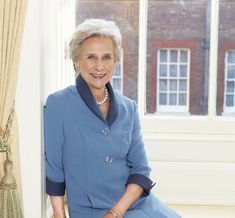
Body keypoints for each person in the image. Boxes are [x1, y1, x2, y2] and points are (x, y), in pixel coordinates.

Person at [44, 18, 181, 218]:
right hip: (92, 211)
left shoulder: (129, 108)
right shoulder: (59, 104)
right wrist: (59, 214)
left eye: (107, 57)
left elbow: (141, 169)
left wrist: (116, 212)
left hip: (135, 204)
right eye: (91, 57)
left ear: (115, 61)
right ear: (76, 60)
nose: (99, 66)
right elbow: (54, 169)